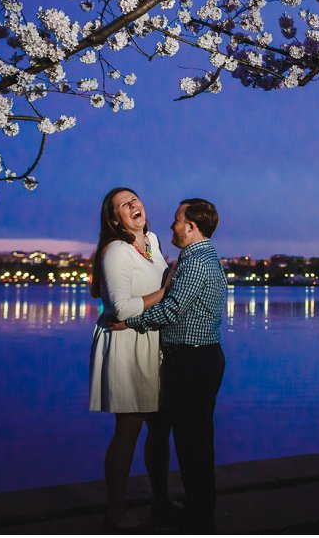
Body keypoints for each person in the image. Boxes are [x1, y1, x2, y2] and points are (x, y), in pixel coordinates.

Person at [110, 198, 226, 533]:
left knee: (193, 444)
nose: (172, 225)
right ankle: (197, 512)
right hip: (201, 357)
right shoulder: (202, 257)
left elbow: (171, 310)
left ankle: (199, 518)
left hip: (192, 360)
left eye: (177, 220)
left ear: (191, 226)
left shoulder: (195, 262)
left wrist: (131, 323)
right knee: (197, 440)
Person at [89, 187, 179, 531]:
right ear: (115, 218)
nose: (132, 205)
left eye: (134, 199)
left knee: (160, 427)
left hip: (152, 339)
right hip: (126, 342)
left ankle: (161, 502)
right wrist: (166, 290)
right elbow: (119, 308)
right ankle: (115, 512)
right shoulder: (115, 251)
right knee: (128, 428)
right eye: (123, 205)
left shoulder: (153, 242)